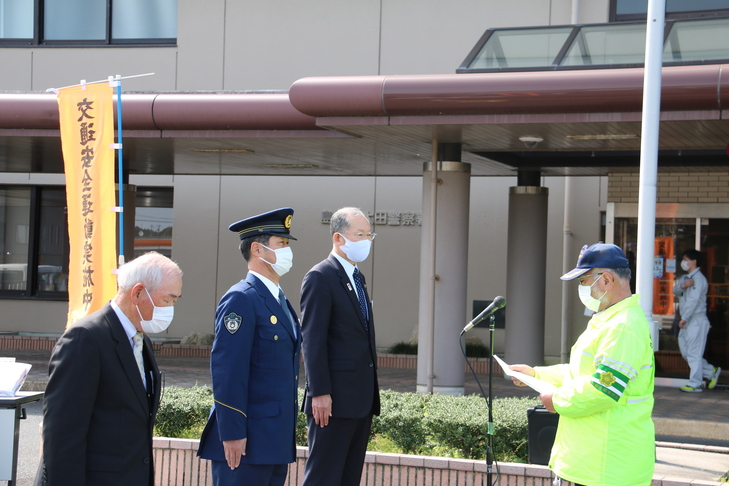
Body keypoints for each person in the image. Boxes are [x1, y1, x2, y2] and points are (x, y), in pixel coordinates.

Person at [509, 242, 655, 486]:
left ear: (607, 279)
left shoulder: (622, 326)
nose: (582, 288)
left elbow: (603, 389)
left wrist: (557, 400)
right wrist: (536, 374)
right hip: (595, 463)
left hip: (608, 467)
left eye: (584, 281)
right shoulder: (610, 319)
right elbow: (580, 373)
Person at [35, 251, 183, 486]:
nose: (171, 309)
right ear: (137, 293)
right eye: (167, 300)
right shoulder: (86, 339)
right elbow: (63, 435)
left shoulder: (140, 339)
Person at [198, 207, 301, 486]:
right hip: (245, 442)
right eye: (282, 244)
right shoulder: (242, 299)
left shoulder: (279, 299)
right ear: (257, 249)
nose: (287, 251)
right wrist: (231, 433)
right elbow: (227, 369)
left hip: (274, 440)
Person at [300, 207, 380, 486]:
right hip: (331, 402)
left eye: (369, 235)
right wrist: (319, 393)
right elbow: (312, 339)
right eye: (359, 234)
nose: (366, 240)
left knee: (348, 478)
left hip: (360, 400)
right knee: (324, 477)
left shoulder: (357, 278)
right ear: (338, 238)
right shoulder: (320, 276)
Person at [673, 249, 721, 392]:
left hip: (696, 320)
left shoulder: (699, 279)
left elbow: (693, 301)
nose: (684, 262)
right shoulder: (686, 278)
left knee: (693, 353)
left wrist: (685, 318)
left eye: (686, 259)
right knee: (686, 352)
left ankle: (696, 383)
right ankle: (710, 371)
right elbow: (675, 290)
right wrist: (683, 285)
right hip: (686, 320)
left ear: (694, 261)